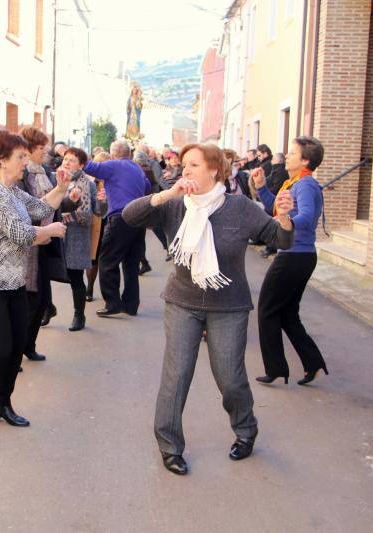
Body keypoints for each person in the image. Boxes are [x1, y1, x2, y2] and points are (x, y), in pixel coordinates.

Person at [122, 143, 295, 475]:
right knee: (177, 375)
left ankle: (245, 430)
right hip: (182, 301)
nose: (186, 171)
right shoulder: (175, 205)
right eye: (184, 165)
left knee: (230, 377)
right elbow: (130, 216)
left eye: (194, 165)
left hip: (228, 305)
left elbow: (279, 239)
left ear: (215, 169)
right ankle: (170, 446)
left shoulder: (240, 207)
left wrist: (284, 219)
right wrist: (166, 194)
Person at [0, 130, 69, 442]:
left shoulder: (12, 189)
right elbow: (21, 233)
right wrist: (52, 231)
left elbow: (41, 209)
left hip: (12, 279)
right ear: (2, 160)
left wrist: (61, 188)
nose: (25, 162)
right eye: (20, 157)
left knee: (17, 346)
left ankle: (1, 403)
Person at [252, 136, 328, 386]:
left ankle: (276, 368)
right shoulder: (294, 182)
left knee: (267, 309)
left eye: (293, 153)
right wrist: (262, 187)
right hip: (298, 255)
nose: (287, 157)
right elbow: (276, 207)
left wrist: (286, 223)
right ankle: (313, 362)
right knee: (286, 314)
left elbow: (305, 215)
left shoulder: (305, 184)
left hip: (295, 256)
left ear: (305, 160)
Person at [18, 127, 74, 361]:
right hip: (25, 249)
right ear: (28, 150)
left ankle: (28, 346)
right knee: (26, 304)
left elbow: (53, 205)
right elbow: (27, 211)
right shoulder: (20, 179)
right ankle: (15, 354)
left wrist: (69, 199)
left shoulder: (46, 173)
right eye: (41, 148)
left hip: (44, 247)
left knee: (40, 302)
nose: (46, 152)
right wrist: (46, 227)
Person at [83, 140, 151, 317]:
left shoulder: (113, 165)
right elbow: (147, 187)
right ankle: (131, 304)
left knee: (107, 260)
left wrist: (72, 156)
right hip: (138, 218)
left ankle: (112, 303)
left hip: (120, 218)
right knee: (131, 263)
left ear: (113, 154)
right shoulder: (137, 168)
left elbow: (89, 167)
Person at [61, 147, 108, 331]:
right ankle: (48, 308)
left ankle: (79, 316)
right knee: (47, 273)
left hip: (77, 236)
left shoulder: (88, 184)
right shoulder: (56, 179)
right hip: (55, 233)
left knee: (76, 278)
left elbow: (98, 212)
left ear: (81, 164)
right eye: (65, 158)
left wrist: (103, 200)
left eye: (72, 160)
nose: (67, 162)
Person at [85, 151, 111, 302]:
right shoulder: (90, 182)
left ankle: (108, 294)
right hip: (96, 223)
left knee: (107, 260)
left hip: (111, 222)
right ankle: (90, 287)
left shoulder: (113, 180)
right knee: (93, 259)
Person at [259, 152, 291, 258]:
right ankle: (268, 245)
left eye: (274, 159)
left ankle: (271, 247)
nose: (271, 160)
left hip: (277, 203)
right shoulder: (276, 170)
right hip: (274, 202)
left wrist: (264, 189)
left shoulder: (280, 172)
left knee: (273, 225)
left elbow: (276, 187)